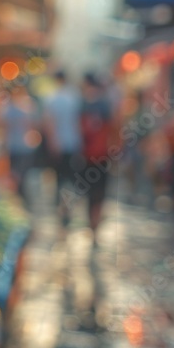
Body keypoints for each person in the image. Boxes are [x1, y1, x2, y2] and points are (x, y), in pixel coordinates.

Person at [43, 70, 82, 228]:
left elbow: (49, 123)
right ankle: (67, 205)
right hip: (73, 143)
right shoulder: (75, 97)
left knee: (59, 178)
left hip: (58, 144)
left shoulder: (51, 98)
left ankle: (61, 206)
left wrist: (53, 142)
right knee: (70, 177)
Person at [80, 73, 114, 236]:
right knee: (100, 190)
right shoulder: (105, 105)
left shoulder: (83, 104)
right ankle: (95, 220)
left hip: (88, 155)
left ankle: (91, 220)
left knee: (90, 190)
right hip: (102, 154)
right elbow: (113, 129)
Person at [0, 83, 42, 203]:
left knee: (16, 175)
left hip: (13, 146)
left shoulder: (8, 109)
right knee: (22, 175)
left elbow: (3, 128)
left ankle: (19, 200)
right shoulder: (26, 107)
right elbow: (33, 126)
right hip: (23, 146)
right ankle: (23, 200)